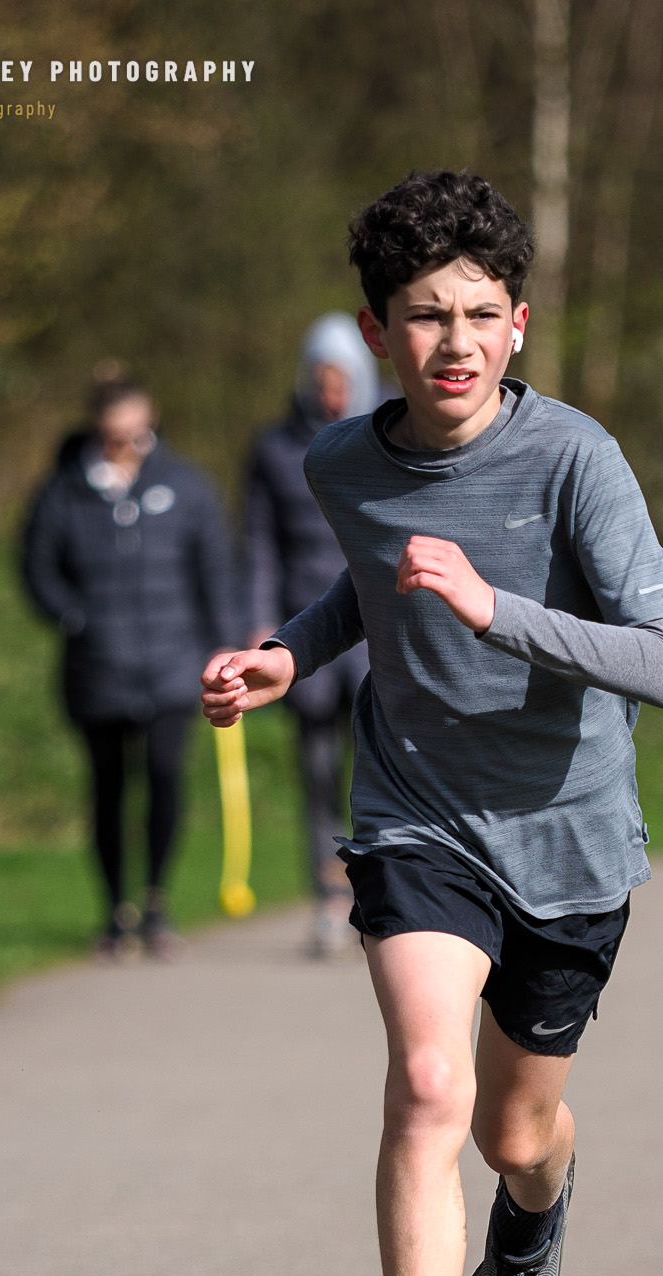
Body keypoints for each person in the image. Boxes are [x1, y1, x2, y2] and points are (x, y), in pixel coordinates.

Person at [202, 171, 663, 1276]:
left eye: (480, 313)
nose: (455, 342)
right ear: (375, 330)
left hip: (571, 841)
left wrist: (496, 609)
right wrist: (288, 652)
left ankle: (535, 1221)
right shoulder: (340, 463)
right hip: (416, 815)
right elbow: (368, 578)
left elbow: (662, 663)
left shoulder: (577, 461)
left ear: (520, 324)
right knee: (424, 1083)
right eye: (424, 316)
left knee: (511, 1132)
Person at [21, 366, 234, 958]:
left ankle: (158, 902)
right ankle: (116, 909)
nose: (126, 442)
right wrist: (73, 616)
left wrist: (227, 643)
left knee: (165, 777)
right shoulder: (63, 489)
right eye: (115, 432)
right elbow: (37, 566)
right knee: (109, 789)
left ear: (151, 421)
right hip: (98, 666)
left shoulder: (187, 486)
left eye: (135, 429)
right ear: (98, 428)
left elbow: (215, 568)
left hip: (173, 663)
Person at [244, 314, 380, 956]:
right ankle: (327, 896)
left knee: (374, 772)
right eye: (322, 381)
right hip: (303, 634)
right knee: (318, 771)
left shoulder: (387, 439)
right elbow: (258, 546)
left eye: (342, 381)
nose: (332, 394)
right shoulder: (273, 450)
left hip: (372, 629)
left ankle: (375, 893)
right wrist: (259, 622)